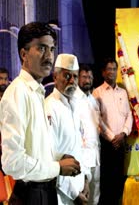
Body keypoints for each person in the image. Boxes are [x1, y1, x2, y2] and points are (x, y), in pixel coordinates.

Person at [0, 21, 80, 205]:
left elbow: (35, 147)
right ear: (23, 54)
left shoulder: (36, 92)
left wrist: (58, 157)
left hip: (44, 191)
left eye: (51, 49)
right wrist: (57, 167)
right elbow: (13, 163)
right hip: (31, 195)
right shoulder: (18, 93)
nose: (49, 57)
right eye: (41, 48)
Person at [45, 54, 89, 204]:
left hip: (80, 187)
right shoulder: (49, 107)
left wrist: (86, 179)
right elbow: (52, 156)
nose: (72, 81)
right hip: (61, 193)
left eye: (75, 77)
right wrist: (74, 194)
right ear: (55, 77)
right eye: (67, 75)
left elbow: (80, 147)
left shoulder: (75, 106)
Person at [93, 57, 133, 205]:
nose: (111, 72)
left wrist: (123, 134)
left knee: (119, 182)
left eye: (114, 69)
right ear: (103, 73)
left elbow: (129, 114)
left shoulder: (123, 92)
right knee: (106, 183)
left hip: (122, 142)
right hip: (106, 145)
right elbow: (97, 119)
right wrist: (112, 138)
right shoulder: (97, 93)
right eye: (108, 69)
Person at [74, 63, 101, 205]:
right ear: (78, 78)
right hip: (82, 155)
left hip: (95, 154)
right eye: (84, 77)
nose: (87, 80)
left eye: (90, 77)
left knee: (95, 191)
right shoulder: (73, 99)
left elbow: (96, 127)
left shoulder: (93, 100)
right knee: (82, 193)